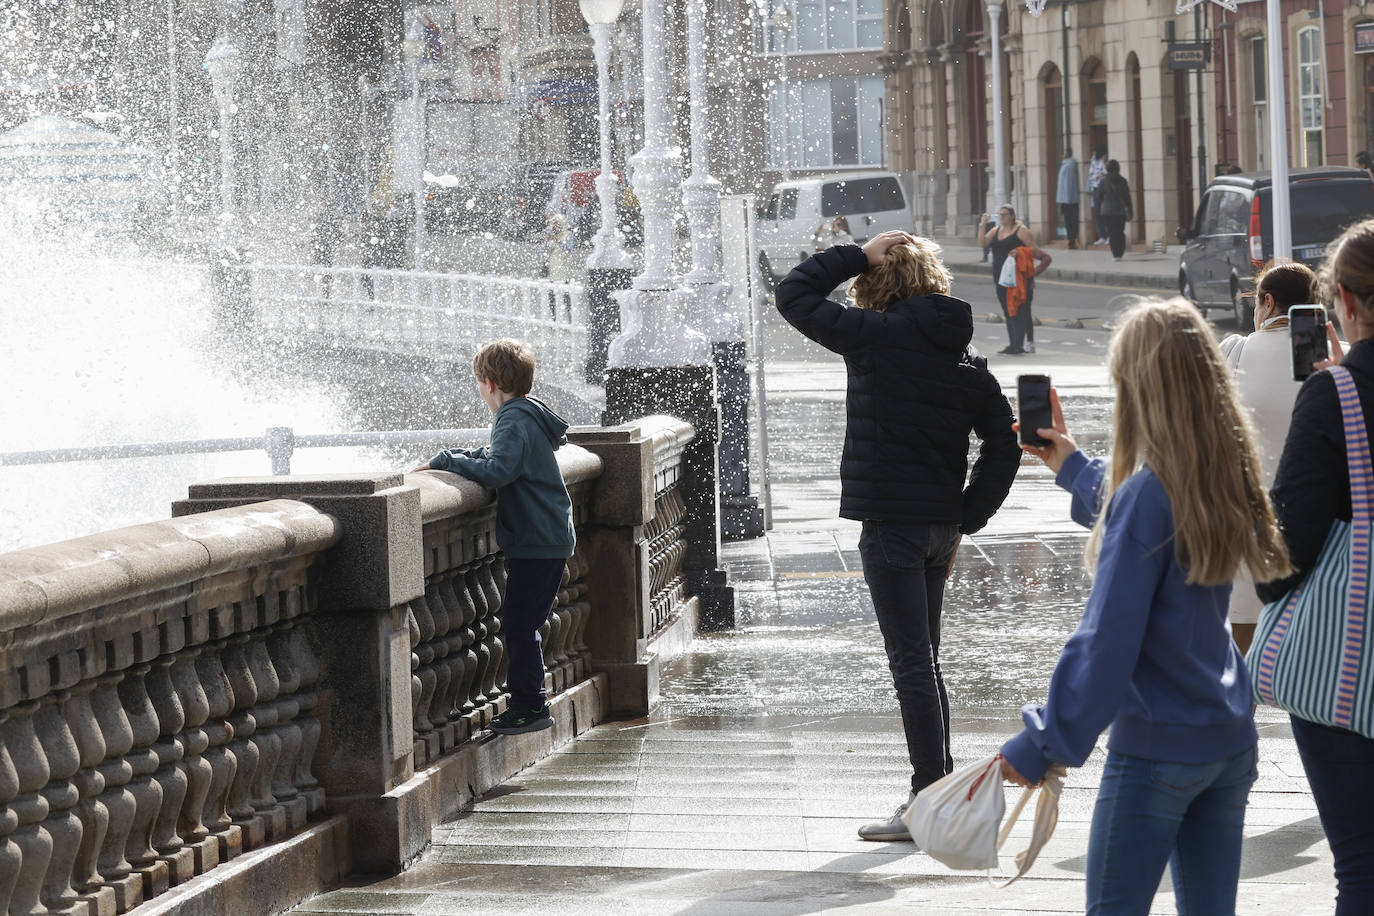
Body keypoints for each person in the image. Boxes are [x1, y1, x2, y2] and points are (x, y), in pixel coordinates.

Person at [1002, 298, 1292, 915]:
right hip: (1227, 739)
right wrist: (1072, 464)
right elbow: (1147, 506)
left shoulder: (1147, 494)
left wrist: (1043, 743)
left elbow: (1105, 642)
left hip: (1159, 749)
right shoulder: (1223, 471)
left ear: (1135, 386)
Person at [774, 230, 1021, 841]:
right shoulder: (965, 362)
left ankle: (927, 802)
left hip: (892, 527)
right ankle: (938, 792)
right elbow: (1005, 445)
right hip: (940, 528)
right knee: (925, 661)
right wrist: (968, 515)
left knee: (911, 663)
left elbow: (794, 294)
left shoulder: (874, 338)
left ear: (876, 286)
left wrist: (858, 252)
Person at [1259, 217, 1374, 913]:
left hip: (1349, 670)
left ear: (1347, 304)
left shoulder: (1336, 397)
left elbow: (1285, 547)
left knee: (1361, 865)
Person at [412, 339, 577, 735]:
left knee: (520, 625)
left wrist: (446, 462)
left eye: (478, 385)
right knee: (523, 622)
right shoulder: (525, 414)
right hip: (546, 535)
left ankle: (530, 707)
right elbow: (498, 457)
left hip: (537, 540)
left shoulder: (513, 418)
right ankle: (528, 703)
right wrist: (453, 455)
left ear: (488, 383)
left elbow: (498, 469)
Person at [1217, 261, 1318, 654]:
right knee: (1311, 659)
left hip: (1248, 523)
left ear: (1268, 302)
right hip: (1314, 524)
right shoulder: (1326, 361)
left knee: (1242, 651)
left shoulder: (1235, 352)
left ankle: (1244, 715)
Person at [975, 204, 1052, 355]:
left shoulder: (1021, 231)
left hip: (1019, 278)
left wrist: (1019, 251)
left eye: (1004, 214)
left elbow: (1034, 249)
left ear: (1011, 216)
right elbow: (982, 243)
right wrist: (982, 224)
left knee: (1019, 310)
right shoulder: (995, 231)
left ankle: (1018, 345)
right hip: (1001, 277)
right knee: (1008, 310)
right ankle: (1013, 344)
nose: (1001, 217)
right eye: (999, 215)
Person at [1098, 159, 1133, 261]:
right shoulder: (1123, 181)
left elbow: (1099, 196)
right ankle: (1120, 251)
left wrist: (1105, 202)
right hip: (1120, 211)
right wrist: (1130, 211)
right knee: (1120, 231)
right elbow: (1127, 198)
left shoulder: (1104, 181)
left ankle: (1115, 254)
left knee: (1112, 232)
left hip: (1107, 211)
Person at [1056, 148, 1081, 249]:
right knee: (1069, 220)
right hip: (1067, 199)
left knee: (1070, 220)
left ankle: (1072, 240)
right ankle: (1071, 240)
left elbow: (1068, 184)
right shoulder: (1066, 164)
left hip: (1069, 200)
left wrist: (1067, 199)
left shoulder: (1069, 165)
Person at [1087, 145, 1108, 245]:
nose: (1093, 154)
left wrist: (1103, 162)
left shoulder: (1104, 161)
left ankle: (1109, 236)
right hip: (1096, 188)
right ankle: (1102, 236)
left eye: (1095, 152)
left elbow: (1106, 172)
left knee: (1106, 212)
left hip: (1104, 188)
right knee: (1097, 213)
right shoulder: (1093, 161)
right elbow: (1092, 175)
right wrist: (1099, 175)